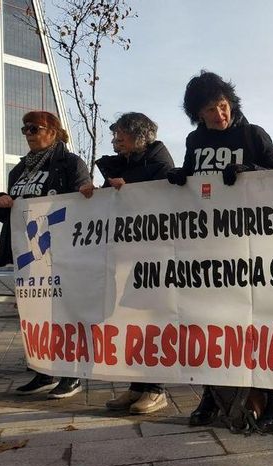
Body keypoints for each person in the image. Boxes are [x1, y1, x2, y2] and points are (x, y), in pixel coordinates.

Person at [170, 71, 273, 431]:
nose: (220, 115)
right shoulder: (194, 140)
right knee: (211, 324)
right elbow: (192, 184)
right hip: (207, 249)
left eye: (223, 106)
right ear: (198, 114)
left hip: (252, 247)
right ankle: (213, 395)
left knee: (263, 322)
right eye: (210, 110)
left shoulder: (253, 135)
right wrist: (180, 178)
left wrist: (251, 170)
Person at [0, 111, 92, 399]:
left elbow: (82, 201)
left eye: (34, 128)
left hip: (60, 251)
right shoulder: (19, 169)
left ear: (52, 131)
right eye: (24, 128)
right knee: (36, 314)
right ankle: (44, 370)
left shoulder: (70, 163)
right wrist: (2, 201)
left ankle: (72, 374)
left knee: (65, 313)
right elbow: (11, 213)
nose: (28, 133)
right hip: (28, 253)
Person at [86, 112, 175, 414]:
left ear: (139, 137)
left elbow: (165, 206)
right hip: (130, 255)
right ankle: (136, 387)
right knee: (133, 323)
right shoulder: (125, 164)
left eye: (120, 137)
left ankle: (156, 389)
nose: (114, 142)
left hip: (155, 258)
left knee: (154, 324)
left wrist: (131, 191)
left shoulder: (160, 164)